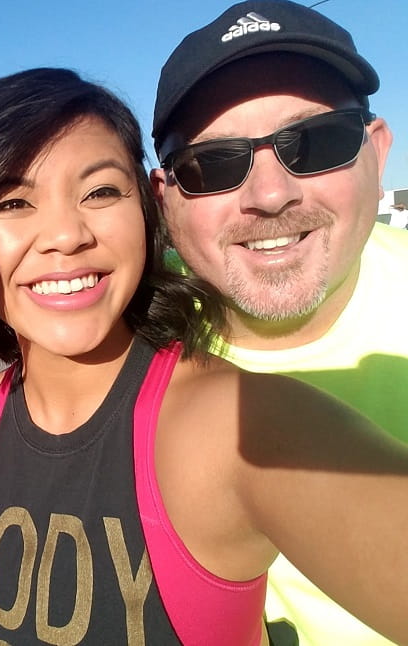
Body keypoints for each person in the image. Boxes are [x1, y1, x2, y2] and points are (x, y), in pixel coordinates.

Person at [0, 67, 408, 645]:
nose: (65, 234)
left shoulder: (239, 424)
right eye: (12, 202)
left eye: (101, 192)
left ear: (146, 210)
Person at [149, 2, 408, 644]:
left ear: (376, 152)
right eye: (213, 163)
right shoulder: (129, 331)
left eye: (316, 144)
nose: (270, 196)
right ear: (166, 199)